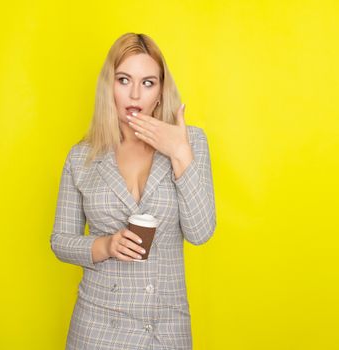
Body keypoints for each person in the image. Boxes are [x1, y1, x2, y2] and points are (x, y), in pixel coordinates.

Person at [51, 32, 216, 350]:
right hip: (97, 329)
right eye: (124, 80)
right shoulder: (82, 157)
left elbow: (200, 232)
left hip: (165, 329)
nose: (135, 94)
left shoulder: (190, 141)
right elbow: (60, 241)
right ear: (108, 87)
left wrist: (179, 152)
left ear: (160, 91)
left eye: (148, 82)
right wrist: (106, 246)